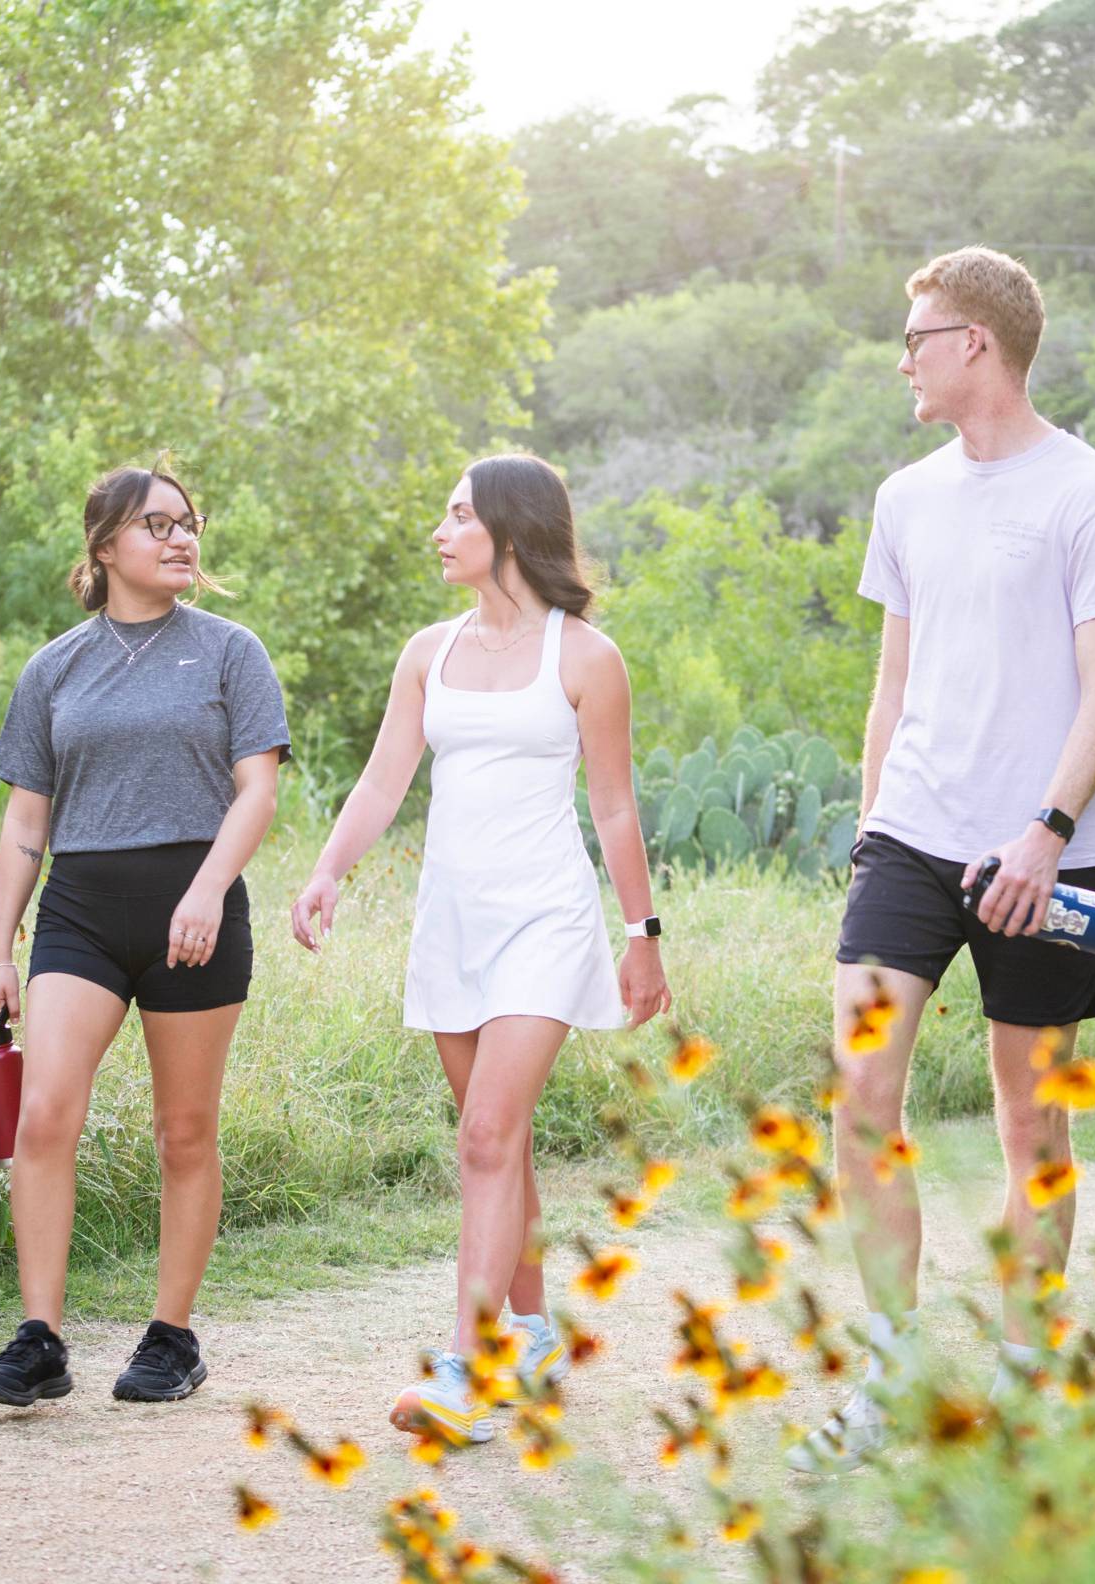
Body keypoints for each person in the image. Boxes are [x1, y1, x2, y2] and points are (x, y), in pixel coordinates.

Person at [790, 247, 1095, 1473]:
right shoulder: (907, 498)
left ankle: (1021, 1378)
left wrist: (1048, 835)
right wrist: (865, 826)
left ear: (977, 345)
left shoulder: (1088, 493)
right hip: (908, 836)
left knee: (1030, 1130)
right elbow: (893, 681)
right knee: (860, 1102)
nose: (903, 359)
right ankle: (889, 1375)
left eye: (917, 338)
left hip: (1047, 853)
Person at [290, 452, 670, 1449]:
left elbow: (616, 804)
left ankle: (467, 1369)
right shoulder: (427, 651)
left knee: (486, 1139)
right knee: (494, 1138)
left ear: (508, 527)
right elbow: (382, 783)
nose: (440, 531)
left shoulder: (586, 657)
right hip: (450, 924)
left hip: (545, 918)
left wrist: (643, 937)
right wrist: (329, 871)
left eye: (457, 515)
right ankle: (537, 1333)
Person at [0, 460, 289, 1408]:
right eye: (158, 525)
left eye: (189, 524)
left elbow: (258, 788)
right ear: (105, 545)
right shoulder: (55, 667)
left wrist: (208, 889)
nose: (181, 538)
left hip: (196, 908)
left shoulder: (232, 651)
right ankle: (39, 1340)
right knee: (43, 1116)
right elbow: (27, 822)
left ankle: (172, 1337)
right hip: (83, 908)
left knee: (183, 1131)